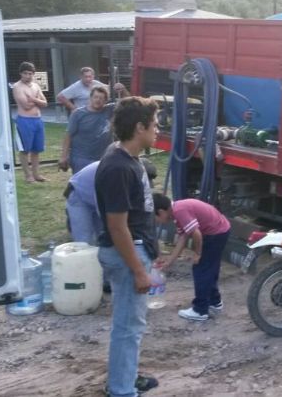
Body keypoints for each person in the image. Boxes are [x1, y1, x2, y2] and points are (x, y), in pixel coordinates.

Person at [94, 96, 160, 396]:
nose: (157, 130)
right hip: (127, 254)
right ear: (139, 127)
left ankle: (126, 378)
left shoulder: (125, 157)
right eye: (155, 125)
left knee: (131, 325)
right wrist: (138, 271)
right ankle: (121, 390)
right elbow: (117, 226)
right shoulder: (118, 167)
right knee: (128, 328)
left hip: (133, 250)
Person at [153, 193, 231, 321]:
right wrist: (170, 261)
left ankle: (200, 310)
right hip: (220, 229)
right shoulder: (177, 211)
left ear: (161, 212)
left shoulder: (180, 211)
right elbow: (183, 238)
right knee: (209, 269)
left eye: (155, 217)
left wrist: (197, 253)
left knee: (201, 270)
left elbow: (197, 234)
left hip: (216, 233)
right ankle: (215, 302)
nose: (157, 221)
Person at [65, 157, 157, 246]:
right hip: (78, 196)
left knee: (100, 240)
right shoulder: (114, 175)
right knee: (84, 241)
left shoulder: (125, 173)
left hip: (93, 196)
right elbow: (104, 209)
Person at [59, 86, 116, 174]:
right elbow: (68, 136)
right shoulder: (78, 114)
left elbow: (130, 103)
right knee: (83, 185)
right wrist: (63, 156)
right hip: (81, 158)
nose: (98, 100)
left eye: (101, 98)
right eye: (95, 97)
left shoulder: (110, 110)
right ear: (90, 98)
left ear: (106, 101)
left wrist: (122, 90)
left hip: (104, 158)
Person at [12, 62, 48, 183]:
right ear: (21, 74)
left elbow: (45, 103)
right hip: (24, 121)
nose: (28, 76)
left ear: (33, 74)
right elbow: (26, 106)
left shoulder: (36, 86)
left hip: (37, 120)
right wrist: (37, 100)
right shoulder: (17, 87)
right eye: (25, 73)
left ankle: (36, 174)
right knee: (24, 150)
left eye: (30, 73)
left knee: (36, 149)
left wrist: (33, 98)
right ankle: (28, 176)